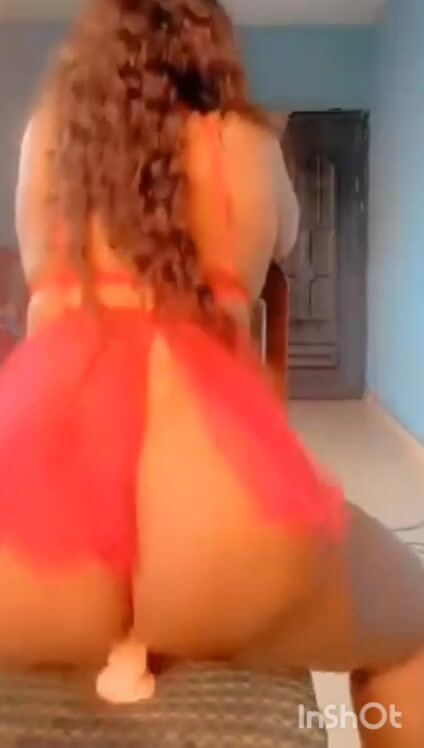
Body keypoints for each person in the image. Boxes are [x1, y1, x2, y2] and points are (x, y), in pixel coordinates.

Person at [3, 1, 424, 744]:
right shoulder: (248, 144)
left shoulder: (45, 138)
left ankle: (123, 642)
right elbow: (286, 245)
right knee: (413, 629)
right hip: (216, 513)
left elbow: (36, 281)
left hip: (33, 508)